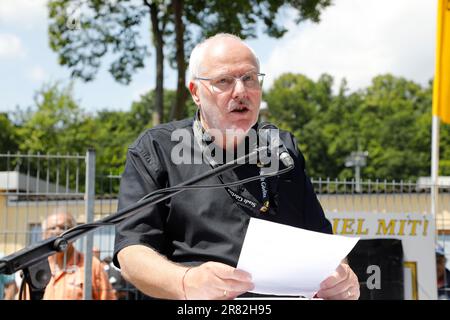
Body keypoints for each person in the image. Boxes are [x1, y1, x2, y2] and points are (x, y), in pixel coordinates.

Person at [113, 33, 360, 300]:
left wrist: (342, 276)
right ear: (196, 92)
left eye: (249, 78)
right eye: (224, 81)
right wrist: (185, 282)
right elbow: (132, 252)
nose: (241, 91)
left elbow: (321, 240)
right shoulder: (157, 149)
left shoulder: (284, 149)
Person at [34, 209, 117, 300]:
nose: (58, 232)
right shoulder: (35, 268)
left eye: (64, 228)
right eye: (53, 228)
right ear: (43, 235)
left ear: (75, 235)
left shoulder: (91, 265)